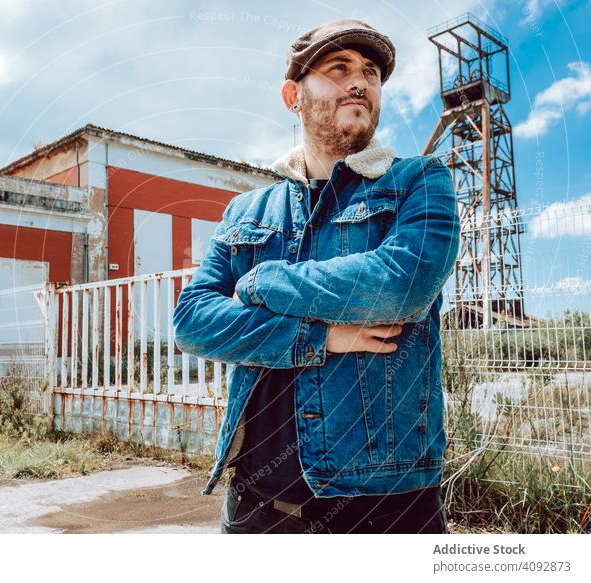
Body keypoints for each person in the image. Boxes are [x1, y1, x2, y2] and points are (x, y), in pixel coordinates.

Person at [172, 18, 461, 533]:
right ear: (293, 95)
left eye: (371, 73)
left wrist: (262, 283)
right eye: (339, 68)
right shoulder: (246, 211)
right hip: (255, 508)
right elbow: (193, 320)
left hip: (384, 509)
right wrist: (321, 336)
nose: (360, 82)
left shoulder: (420, 181)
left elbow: (400, 284)